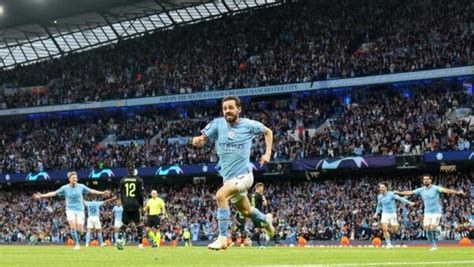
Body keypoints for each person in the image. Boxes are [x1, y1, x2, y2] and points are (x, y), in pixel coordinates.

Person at [190, 95, 274, 250]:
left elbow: (267, 132)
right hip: (228, 178)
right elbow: (202, 138)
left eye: (231, 108)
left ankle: (222, 238)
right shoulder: (218, 124)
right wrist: (198, 140)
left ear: (239, 109)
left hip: (245, 175)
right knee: (247, 211)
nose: (227, 111)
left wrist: (268, 153)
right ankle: (266, 219)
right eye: (225, 108)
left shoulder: (249, 125)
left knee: (220, 196)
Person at [33, 171, 110, 250]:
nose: (75, 179)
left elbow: (91, 191)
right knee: (72, 226)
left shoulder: (81, 186)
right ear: (69, 179)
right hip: (70, 209)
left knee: (80, 229)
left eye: (76, 178)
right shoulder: (65, 188)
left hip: (80, 209)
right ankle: (77, 244)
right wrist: (42, 195)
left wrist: (102, 192)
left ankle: (81, 232)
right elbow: (54, 193)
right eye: (73, 178)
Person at [395, 174, 465, 251]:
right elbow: (410, 192)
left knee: (431, 228)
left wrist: (458, 192)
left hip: (436, 212)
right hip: (427, 213)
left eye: (427, 179)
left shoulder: (436, 188)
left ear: (431, 180)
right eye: (424, 179)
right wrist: (399, 192)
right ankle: (433, 246)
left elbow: (446, 190)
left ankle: (440, 231)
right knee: (427, 229)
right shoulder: (421, 190)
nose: (426, 180)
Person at [372, 182, 415, 249]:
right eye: (380, 187)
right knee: (384, 229)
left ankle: (394, 227)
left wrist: (409, 203)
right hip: (384, 214)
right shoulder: (379, 197)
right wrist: (376, 213)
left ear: (386, 188)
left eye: (382, 187)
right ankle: (389, 244)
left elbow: (400, 199)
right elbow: (379, 206)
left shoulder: (391, 194)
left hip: (392, 214)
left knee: (394, 231)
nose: (381, 188)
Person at [116, 162, 145, 250]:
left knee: (124, 223)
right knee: (138, 224)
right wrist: (142, 205)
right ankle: (140, 244)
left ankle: (119, 239)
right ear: (134, 169)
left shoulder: (122, 180)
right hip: (135, 204)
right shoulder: (139, 180)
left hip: (126, 205)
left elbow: (121, 194)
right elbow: (140, 194)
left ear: (127, 170)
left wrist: (123, 203)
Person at [251, 182, 268, 249]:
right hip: (258, 214)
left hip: (253, 213)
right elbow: (265, 204)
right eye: (262, 187)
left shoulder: (252, 195)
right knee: (263, 229)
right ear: (259, 187)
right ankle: (263, 244)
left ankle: (259, 245)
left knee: (257, 229)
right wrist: (263, 197)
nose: (263, 189)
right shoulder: (259, 195)